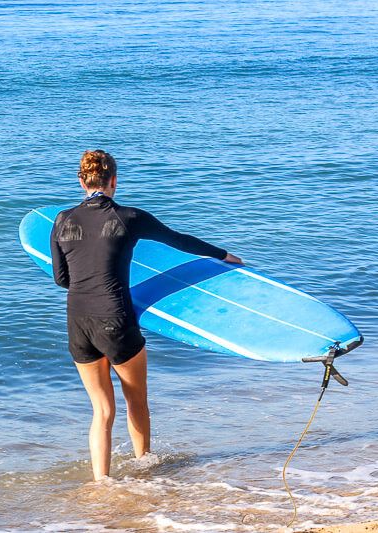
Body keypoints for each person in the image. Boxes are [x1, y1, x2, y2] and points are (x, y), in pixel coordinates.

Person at [50, 150, 244, 480]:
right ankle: (144, 474)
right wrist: (223, 255)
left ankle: (101, 484)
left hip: (78, 321)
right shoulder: (130, 218)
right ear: (114, 180)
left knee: (101, 410)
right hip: (116, 318)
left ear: (81, 181)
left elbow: (61, 279)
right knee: (136, 401)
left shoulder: (62, 220)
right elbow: (177, 240)